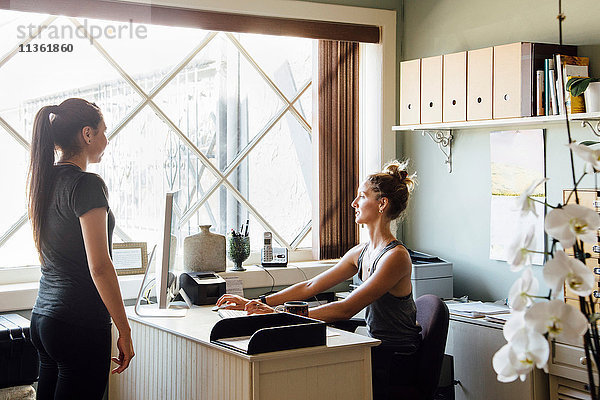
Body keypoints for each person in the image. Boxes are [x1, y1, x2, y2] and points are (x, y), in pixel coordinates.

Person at [216, 160, 421, 399]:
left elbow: (346, 308)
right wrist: (260, 301)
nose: (354, 203)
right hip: (377, 348)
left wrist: (280, 316)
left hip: (396, 358)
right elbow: (311, 285)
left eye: (362, 197)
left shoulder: (396, 257)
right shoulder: (361, 252)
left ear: (382, 204)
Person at [27, 98, 134, 400]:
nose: (106, 140)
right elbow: (100, 266)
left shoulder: (44, 180)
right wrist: (124, 332)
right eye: (103, 131)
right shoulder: (87, 184)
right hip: (79, 324)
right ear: (87, 135)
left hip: (44, 319)